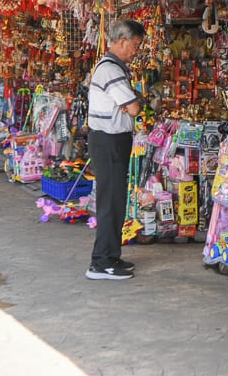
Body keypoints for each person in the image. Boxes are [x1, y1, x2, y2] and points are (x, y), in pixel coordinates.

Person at [85, 19, 145, 280]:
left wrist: (129, 102)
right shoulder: (110, 70)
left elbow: (129, 104)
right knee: (110, 201)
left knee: (116, 200)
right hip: (107, 140)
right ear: (121, 42)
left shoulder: (114, 68)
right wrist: (132, 103)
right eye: (135, 44)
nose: (136, 50)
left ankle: (111, 256)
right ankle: (101, 263)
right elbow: (134, 108)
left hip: (112, 140)